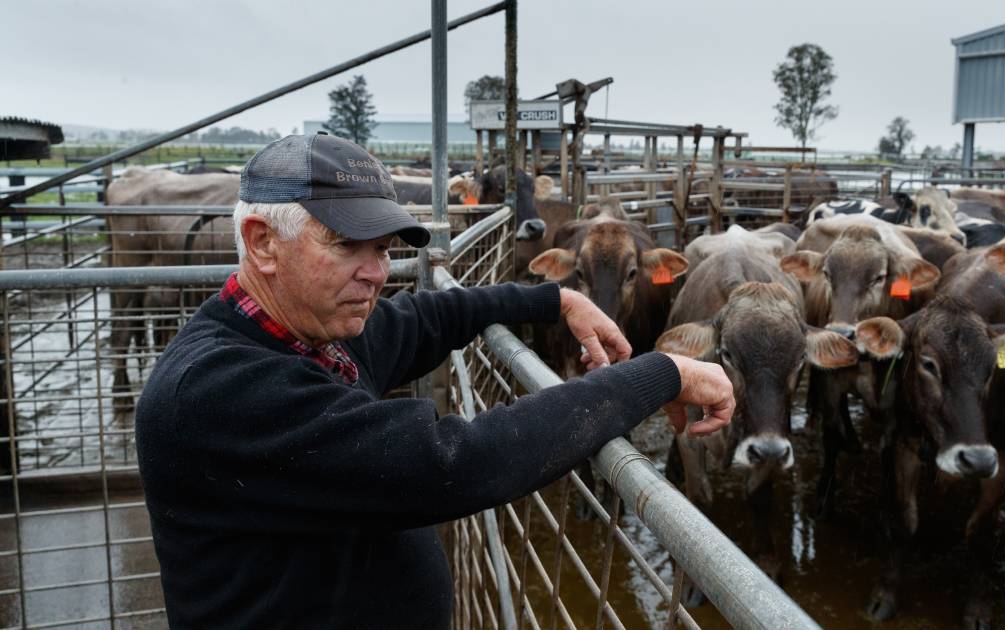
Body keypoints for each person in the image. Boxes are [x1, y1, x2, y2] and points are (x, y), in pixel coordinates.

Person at [135, 133, 735, 629]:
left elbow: (424, 318)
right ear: (263, 243)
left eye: (383, 248)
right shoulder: (216, 391)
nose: (378, 273)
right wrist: (658, 374)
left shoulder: (310, 332)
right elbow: (455, 461)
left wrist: (554, 300)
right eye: (347, 246)